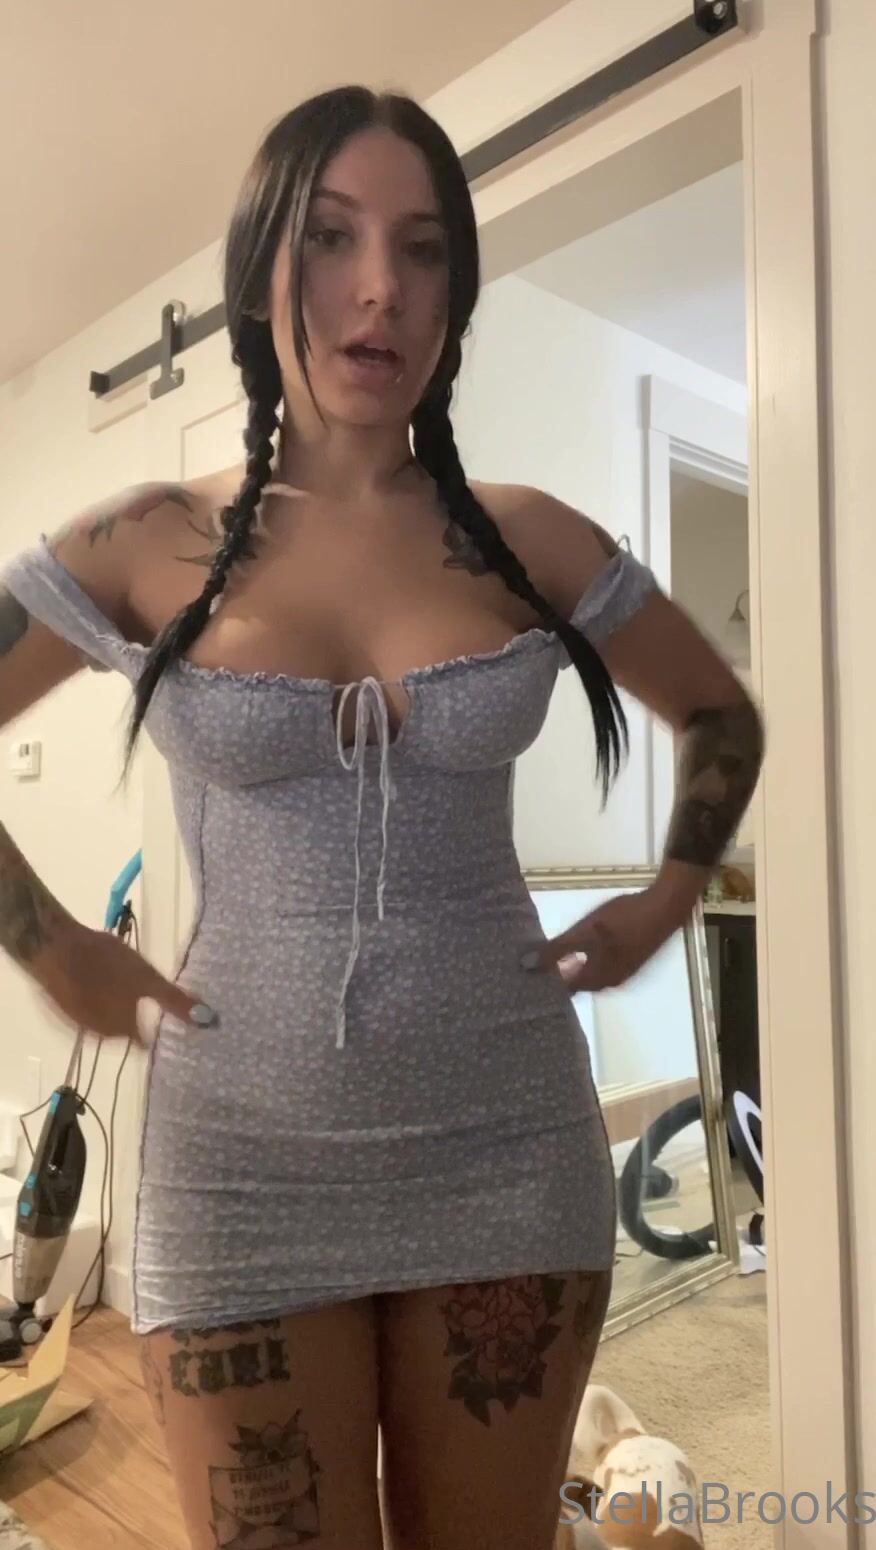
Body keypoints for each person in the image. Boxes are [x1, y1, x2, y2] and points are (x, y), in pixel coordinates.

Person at [0, 85, 763, 1550]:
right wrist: (44, 941)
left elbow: (720, 713)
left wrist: (670, 895)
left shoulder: (528, 540)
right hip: (241, 1161)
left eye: (424, 251)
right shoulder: (147, 537)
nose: (380, 289)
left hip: (507, 1148)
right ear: (259, 272)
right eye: (334, 238)